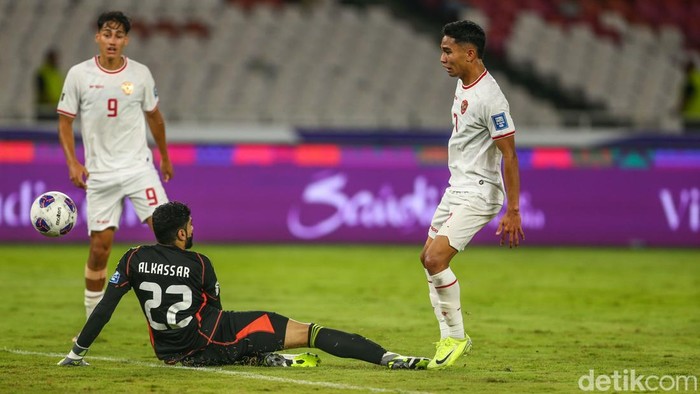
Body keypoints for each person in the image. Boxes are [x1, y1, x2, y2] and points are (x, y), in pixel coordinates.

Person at [58, 201, 430, 370]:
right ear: (183, 232)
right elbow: (217, 315)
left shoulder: (133, 258)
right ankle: (389, 358)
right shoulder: (200, 262)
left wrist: (77, 352)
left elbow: (105, 308)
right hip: (202, 345)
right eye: (191, 224)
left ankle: (262, 356)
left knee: (244, 336)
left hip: (167, 352)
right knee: (309, 331)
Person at [419, 20, 524, 370]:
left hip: (479, 191)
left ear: (470, 53)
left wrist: (514, 210)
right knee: (426, 259)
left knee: (436, 260)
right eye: (441, 50)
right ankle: (450, 336)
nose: (442, 58)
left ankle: (455, 338)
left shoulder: (491, 99)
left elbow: (509, 154)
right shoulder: (465, 84)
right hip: (458, 187)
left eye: (447, 51)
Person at [57, 11, 173, 321]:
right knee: (100, 249)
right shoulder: (79, 75)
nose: (112, 40)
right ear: (98, 37)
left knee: (169, 234)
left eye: (118, 35)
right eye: (107, 34)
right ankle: (91, 323)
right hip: (100, 174)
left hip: (138, 168)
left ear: (126, 40)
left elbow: (155, 118)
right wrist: (72, 162)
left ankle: (180, 316)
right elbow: (65, 122)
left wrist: (164, 155)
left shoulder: (140, 74)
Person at [36, 49, 64, 120]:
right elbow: (42, 92)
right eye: (53, 59)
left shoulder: (57, 74)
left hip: (56, 109)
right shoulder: (42, 73)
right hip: (46, 110)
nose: (55, 61)